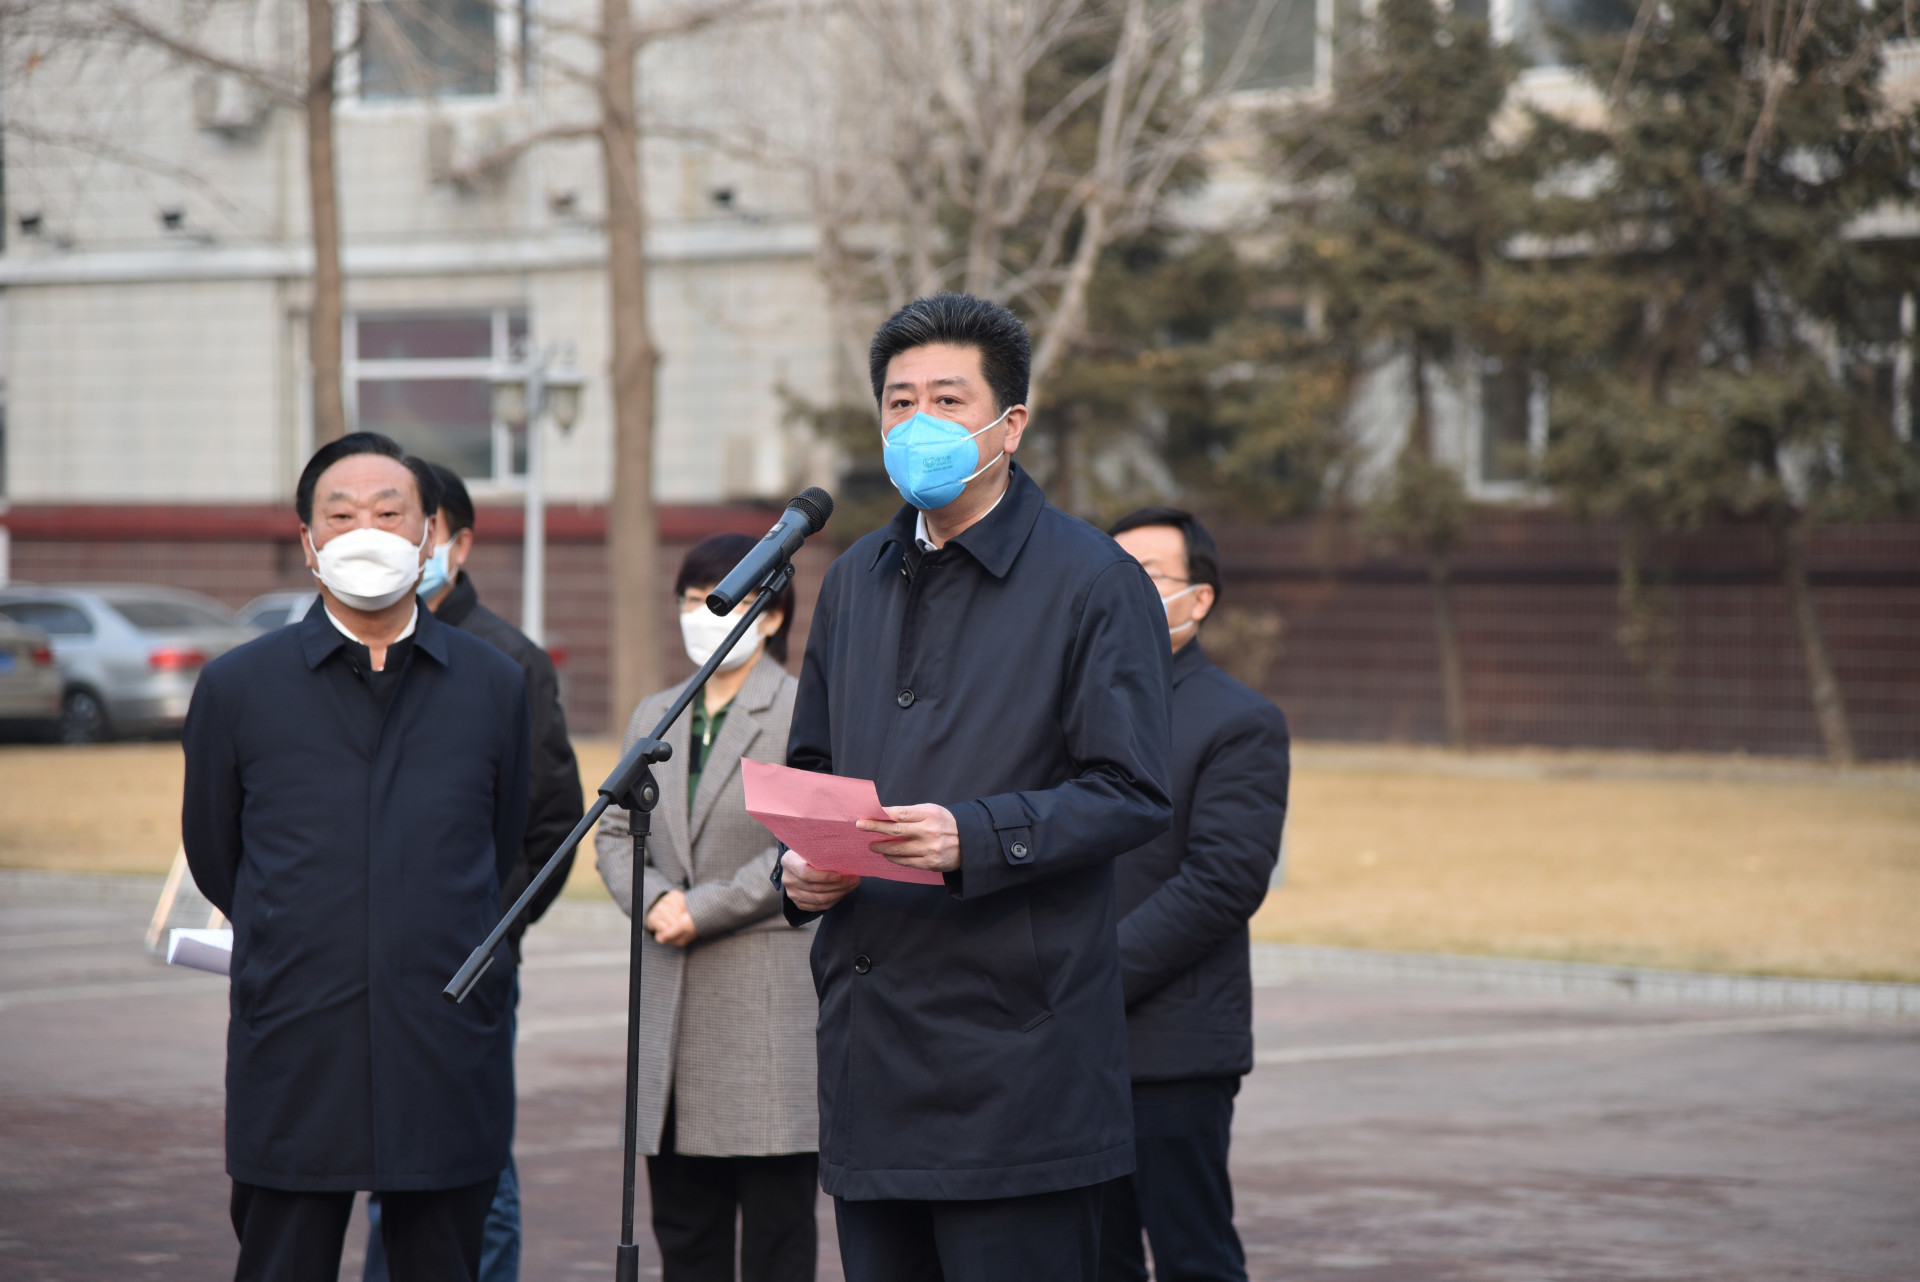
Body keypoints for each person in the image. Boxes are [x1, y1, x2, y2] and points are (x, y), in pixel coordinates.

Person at [777, 293, 1174, 1281]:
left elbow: (1130, 789)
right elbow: (814, 769)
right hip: (873, 1047)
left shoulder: (1091, 578)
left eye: (948, 399)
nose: (920, 423)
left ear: (1012, 423)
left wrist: (975, 835)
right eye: (899, 401)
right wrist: (802, 868)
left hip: (1020, 1053)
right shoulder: (857, 575)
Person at [182, 432, 530, 1282]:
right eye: (340, 515)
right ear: (307, 542)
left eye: (389, 512)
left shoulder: (493, 683)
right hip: (297, 1038)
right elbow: (215, 852)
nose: (364, 531)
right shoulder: (239, 688)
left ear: (429, 534)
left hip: (445, 1040)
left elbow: (505, 841)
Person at [362, 463, 587, 1282]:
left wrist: (490, 932)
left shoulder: (504, 663)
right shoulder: (362, 648)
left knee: (472, 1168)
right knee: (383, 1157)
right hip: (369, 962)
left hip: (469, 965)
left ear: (449, 541)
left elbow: (552, 822)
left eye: (404, 521)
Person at [595, 533, 819, 1282]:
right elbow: (616, 834)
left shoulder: (802, 710)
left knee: (776, 1243)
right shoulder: (655, 713)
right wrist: (657, 901)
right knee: (684, 1238)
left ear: (772, 614)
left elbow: (805, 843)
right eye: (691, 601)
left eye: (719, 600)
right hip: (669, 1008)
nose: (703, 614)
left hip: (763, 1011)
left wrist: (705, 908)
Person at [1097, 508, 1290, 1282]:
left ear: (1199, 599)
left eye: (1147, 577)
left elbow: (1225, 880)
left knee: (1193, 1256)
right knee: (1086, 1256)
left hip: (1172, 1047)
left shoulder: (1238, 721)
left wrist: (1094, 974)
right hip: (1064, 1048)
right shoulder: (1072, 704)